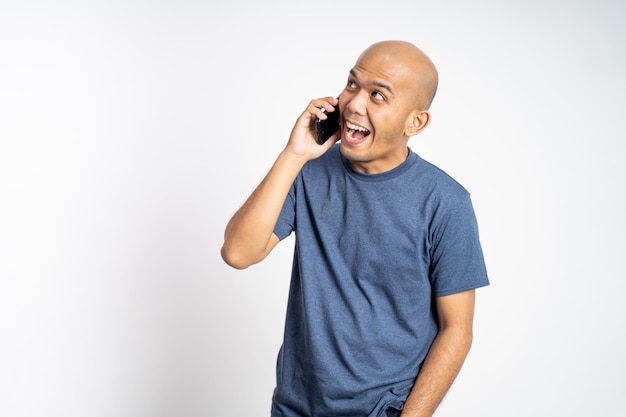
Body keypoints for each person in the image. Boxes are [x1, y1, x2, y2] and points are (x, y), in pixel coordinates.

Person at [221, 40, 489, 417]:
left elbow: (456, 330)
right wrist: (294, 154)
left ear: (416, 121)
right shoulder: (308, 172)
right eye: (352, 84)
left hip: (383, 410)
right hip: (296, 407)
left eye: (377, 95)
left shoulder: (446, 202)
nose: (354, 104)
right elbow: (238, 252)